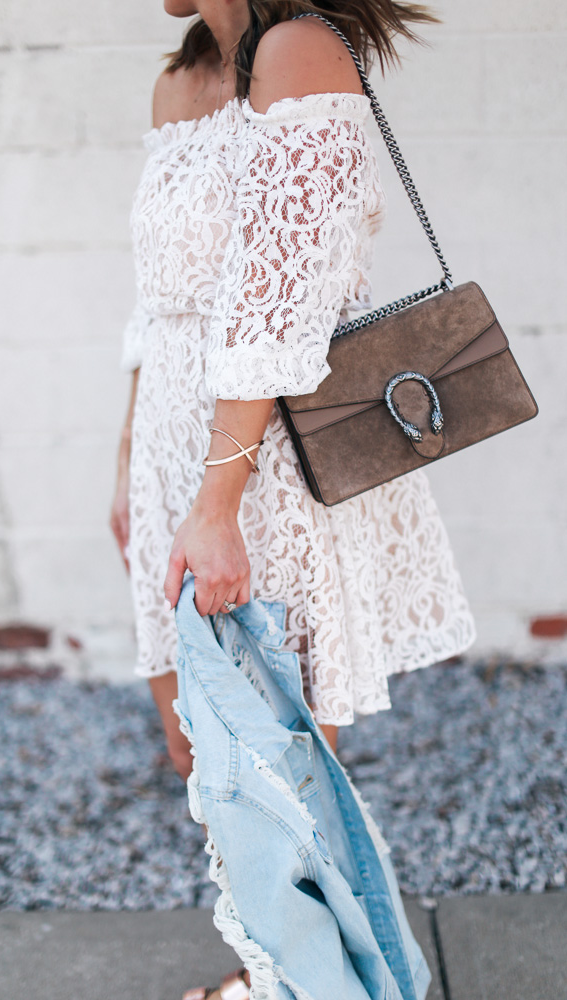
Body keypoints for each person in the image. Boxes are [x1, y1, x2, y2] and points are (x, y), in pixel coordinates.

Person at [111, 2, 476, 997]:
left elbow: (280, 310)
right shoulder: (182, 78)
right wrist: (128, 467)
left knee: (268, 748)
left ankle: (319, 981)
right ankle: (285, 968)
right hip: (177, 461)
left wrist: (218, 503)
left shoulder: (299, 52)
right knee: (201, 745)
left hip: (263, 469)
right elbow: (156, 306)